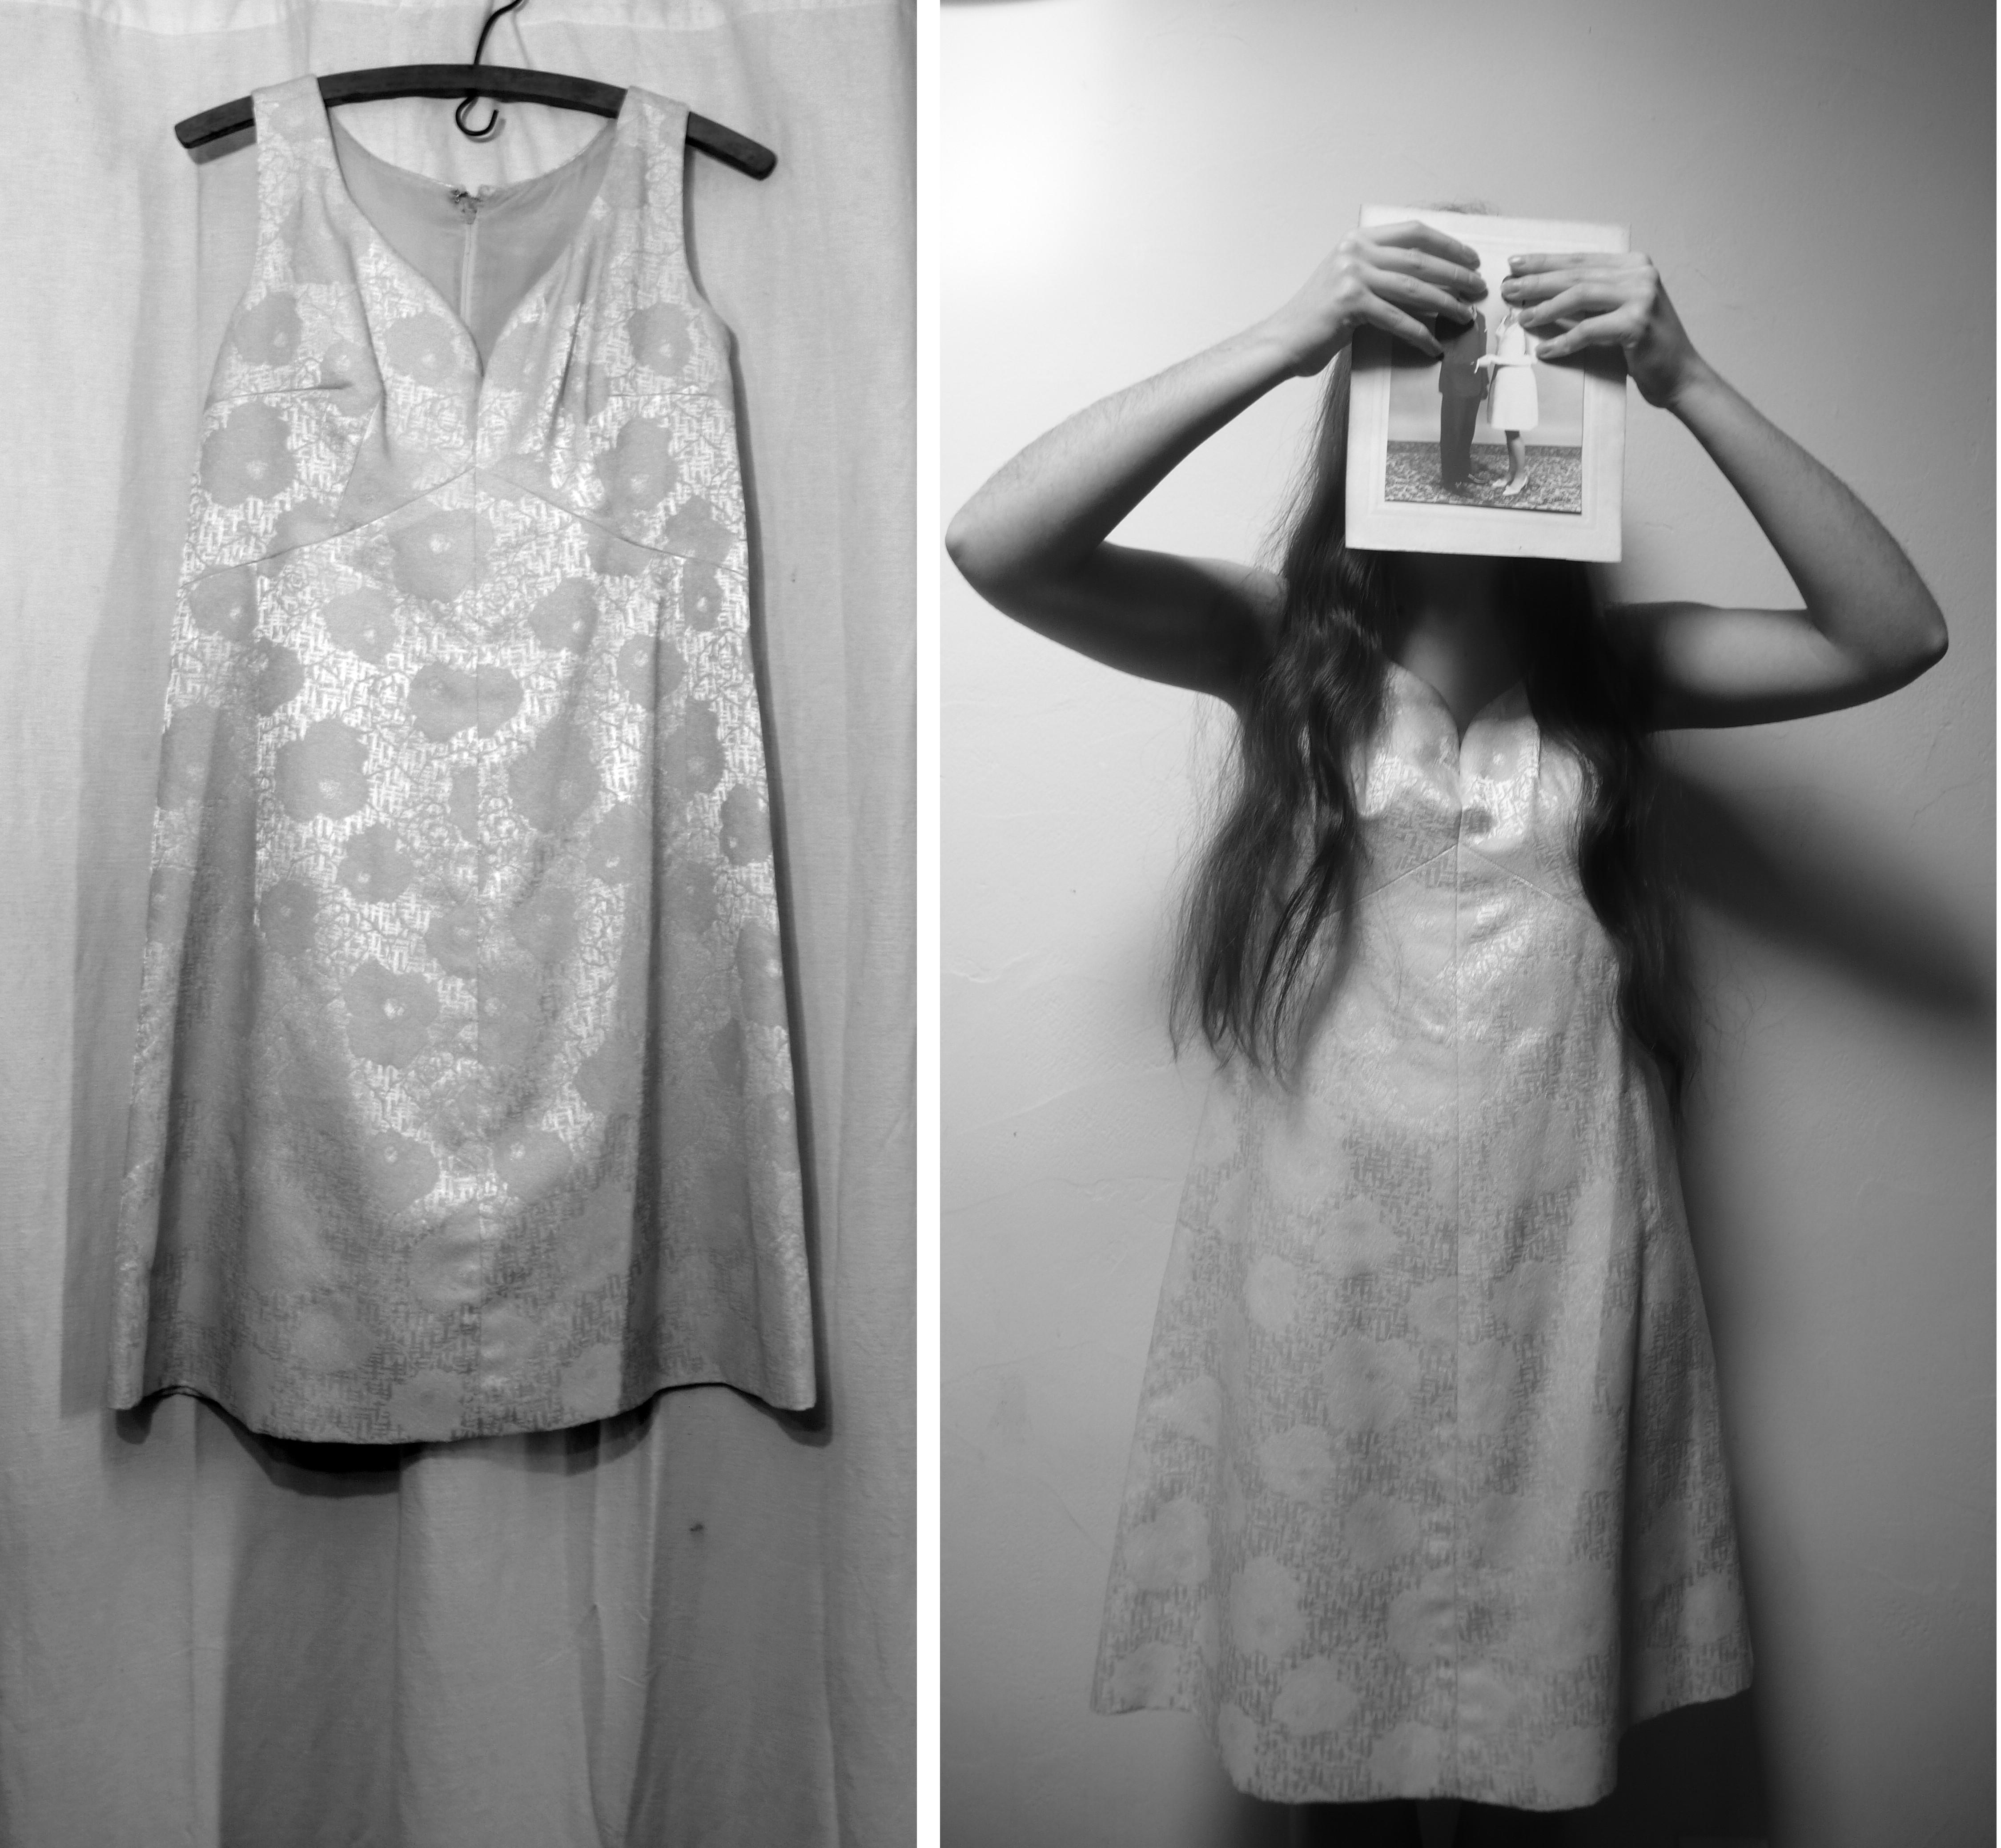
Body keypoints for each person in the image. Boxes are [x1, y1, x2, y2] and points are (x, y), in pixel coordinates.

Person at [945, 218, 1946, 1847]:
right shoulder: (1277, 643)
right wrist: (1288, 335)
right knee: (1335, 1699)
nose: (1484, 403)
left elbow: (1890, 633)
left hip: (1567, 1234)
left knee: (1536, 1712)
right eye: (1428, 370)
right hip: (1321, 1238)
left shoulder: (1616, 667)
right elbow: (998, 542)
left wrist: (1685, 378)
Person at [1475, 304, 1539, 494]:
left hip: (1517, 380)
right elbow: (1502, 348)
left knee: (1513, 431)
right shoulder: (1505, 319)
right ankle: (1511, 473)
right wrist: (1495, 367)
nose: (1509, 298)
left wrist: (1497, 360)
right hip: (1502, 378)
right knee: (1508, 430)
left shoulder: (1529, 321)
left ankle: (1521, 477)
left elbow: (1533, 358)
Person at [1435, 301, 1489, 487]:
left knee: (1467, 433)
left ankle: (1464, 472)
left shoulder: (1480, 317)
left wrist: (1484, 382)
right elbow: (1444, 352)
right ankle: (1451, 480)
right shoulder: (1446, 316)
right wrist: (1474, 365)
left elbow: (1482, 351)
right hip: (1454, 385)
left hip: (1475, 386)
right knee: (1452, 434)